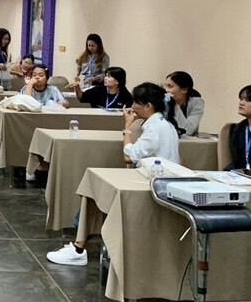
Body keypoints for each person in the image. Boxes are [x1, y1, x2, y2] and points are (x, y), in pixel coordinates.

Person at [46, 82, 179, 266]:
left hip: (150, 186)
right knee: (95, 188)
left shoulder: (154, 129)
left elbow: (128, 157)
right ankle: (79, 245)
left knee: (94, 190)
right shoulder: (164, 124)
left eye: (136, 103)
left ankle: (78, 249)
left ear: (148, 106)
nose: (132, 107)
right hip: (152, 180)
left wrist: (127, 126)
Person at [226, 84, 251, 172]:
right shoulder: (237, 129)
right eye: (241, 99)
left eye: (248, 100)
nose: (241, 103)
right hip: (240, 175)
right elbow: (236, 161)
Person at [66, 66, 133, 109]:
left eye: (109, 77)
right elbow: (81, 97)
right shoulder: (98, 90)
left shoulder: (126, 95)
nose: (105, 78)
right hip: (97, 120)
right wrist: (77, 87)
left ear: (117, 81)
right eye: (106, 76)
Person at [164, 71, 204, 137]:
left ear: (184, 90)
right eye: (166, 86)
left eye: (170, 86)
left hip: (187, 141)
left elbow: (188, 130)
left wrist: (174, 105)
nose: (166, 90)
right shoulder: (163, 101)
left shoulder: (196, 103)